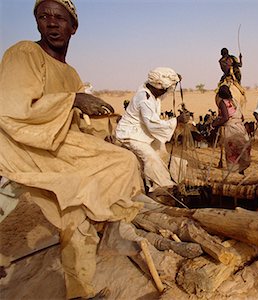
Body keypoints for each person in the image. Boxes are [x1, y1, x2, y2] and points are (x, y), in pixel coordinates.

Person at [0, 0, 143, 298]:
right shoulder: (25, 53)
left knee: (78, 215)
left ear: (73, 27)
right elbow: (12, 111)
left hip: (58, 153)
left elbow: (77, 124)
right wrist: (72, 101)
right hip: (18, 149)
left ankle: (79, 292)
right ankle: (114, 230)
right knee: (122, 162)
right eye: (44, 16)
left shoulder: (71, 74)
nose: (52, 23)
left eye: (60, 18)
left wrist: (98, 138)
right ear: (37, 22)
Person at [115, 67, 190, 192]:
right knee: (151, 158)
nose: (167, 91)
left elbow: (163, 93)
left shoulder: (151, 90)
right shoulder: (145, 99)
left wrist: (175, 80)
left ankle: (175, 179)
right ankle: (162, 189)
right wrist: (177, 120)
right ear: (158, 85)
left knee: (164, 154)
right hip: (130, 135)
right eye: (165, 88)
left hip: (143, 132)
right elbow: (153, 124)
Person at [211, 85, 251, 174]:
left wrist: (214, 124)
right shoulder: (234, 101)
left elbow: (225, 118)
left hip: (231, 129)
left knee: (233, 151)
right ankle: (241, 172)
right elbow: (242, 117)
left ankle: (235, 173)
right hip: (240, 128)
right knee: (241, 149)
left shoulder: (222, 103)